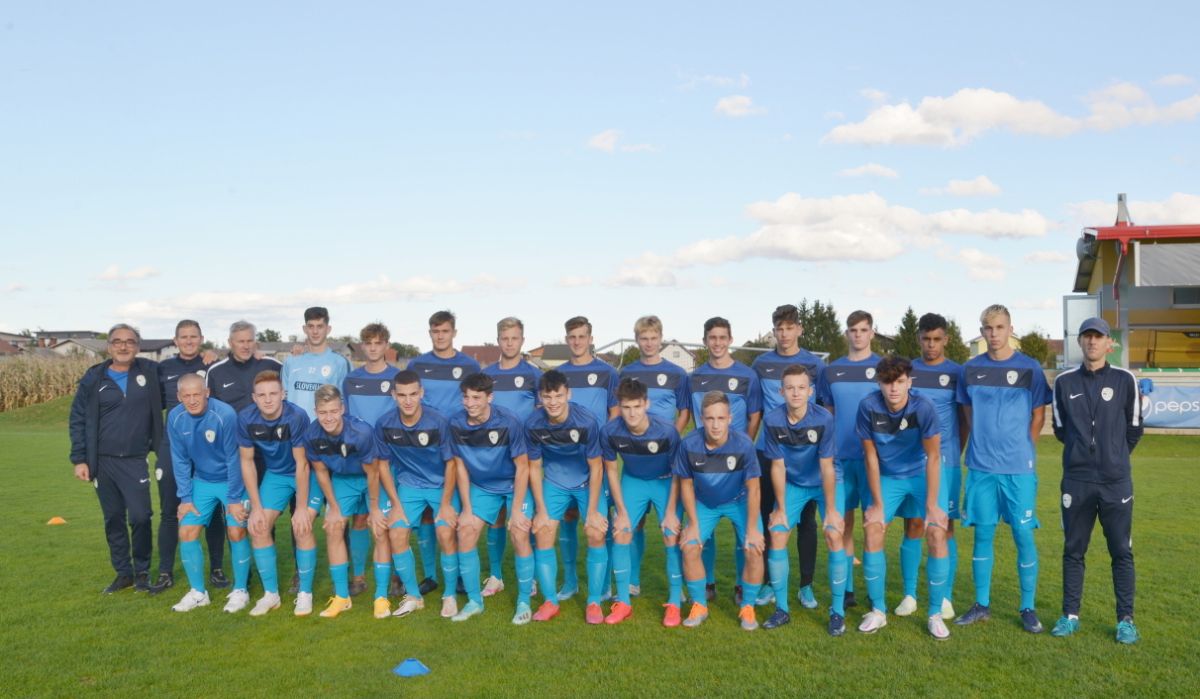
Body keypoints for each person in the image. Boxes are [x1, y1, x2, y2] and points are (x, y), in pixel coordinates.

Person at [954, 304, 1052, 633]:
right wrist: (982, 442)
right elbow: (967, 412)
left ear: (1010, 329)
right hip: (981, 467)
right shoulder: (969, 369)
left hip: (1017, 469)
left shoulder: (1029, 368)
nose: (993, 333)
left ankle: (1028, 607)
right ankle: (981, 604)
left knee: (1023, 534)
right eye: (988, 328)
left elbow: (1038, 414)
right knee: (983, 534)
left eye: (999, 327)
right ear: (981, 331)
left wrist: (1024, 448)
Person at [1050, 317, 1143, 644]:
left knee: (1121, 551)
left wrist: (1113, 456)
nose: (1092, 342)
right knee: (1073, 550)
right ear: (1080, 342)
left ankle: (1126, 621)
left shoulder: (1125, 379)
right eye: (1087, 336)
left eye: (1098, 336)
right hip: (1077, 481)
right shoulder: (1064, 382)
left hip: (1115, 482)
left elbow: (1134, 428)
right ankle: (1069, 616)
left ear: (1108, 343)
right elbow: (1061, 429)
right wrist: (1082, 455)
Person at [855, 356, 951, 639]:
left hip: (922, 472)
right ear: (879, 383)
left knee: (936, 531)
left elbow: (934, 456)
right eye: (887, 382)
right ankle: (878, 611)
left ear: (909, 382)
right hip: (888, 474)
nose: (894, 388)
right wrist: (877, 504)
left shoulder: (923, 407)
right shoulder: (868, 406)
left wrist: (932, 506)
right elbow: (870, 456)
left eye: (899, 382)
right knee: (873, 527)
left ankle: (935, 614)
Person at [69, 324, 163, 594]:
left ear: (138, 346)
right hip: (102, 462)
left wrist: (207, 357)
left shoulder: (151, 371)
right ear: (109, 346)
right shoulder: (94, 377)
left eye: (130, 341)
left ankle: (142, 571)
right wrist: (80, 459)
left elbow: (183, 372)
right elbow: (77, 419)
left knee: (141, 517)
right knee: (113, 518)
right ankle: (124, 573)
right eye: (117, 341)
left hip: (134, 459)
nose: (124, 346)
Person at [762, 366, 846, 634]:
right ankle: (782, 609)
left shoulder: (823, 418)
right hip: (794, 483)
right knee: (777, 531)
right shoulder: (772, 420)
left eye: (801, 387)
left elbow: (827, 466)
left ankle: (837, 612)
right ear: (781, 391)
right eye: (790, 388)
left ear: (810, 391)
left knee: (833, 533)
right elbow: (777, 466)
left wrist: (831, 510)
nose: (796, 393)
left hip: (825, 481)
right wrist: (781, 508)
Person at [751, 304, 825, 610]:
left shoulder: (814, 364)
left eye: (789, 328)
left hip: (804, 452)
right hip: (768, 451)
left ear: (799, 329)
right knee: (770, 516)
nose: (784, 334)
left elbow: (820, 408)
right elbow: (756, 408)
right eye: (779, 329)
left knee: (806, 520)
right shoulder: (761, 364)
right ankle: (770, 582)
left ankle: (805, 586)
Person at [525, 370, 613, 624]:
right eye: (547, 396)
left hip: (586, 482)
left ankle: (593, 602)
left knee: (596, 531)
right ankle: (550, 601)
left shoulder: (587, 421)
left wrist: (593, 511)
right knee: (542, 531)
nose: (553, 402)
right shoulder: (533, 424)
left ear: (568, 394)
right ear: (540, 397)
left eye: (558, 396)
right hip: (554, 482)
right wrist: (541, 510)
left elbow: (596, 467)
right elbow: (534, 467)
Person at [372, 370, 462, 620]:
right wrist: (396, 504)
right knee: (396, 532)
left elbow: (452, 464)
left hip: (440, 485)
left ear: (421, 393)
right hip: (409, 485)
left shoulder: (439, 421)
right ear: (393, 395)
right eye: (402, 395)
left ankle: (450, 595)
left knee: (445, 532)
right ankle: (414, 596)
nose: (408, 400)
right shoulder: (385, 423)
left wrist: (446, 504)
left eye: (413, 394)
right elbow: (382, 466)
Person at [447, 373, 535, 623]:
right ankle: (475, 601)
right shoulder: (456, 423)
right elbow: (460, 467)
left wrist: (516, 510)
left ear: (490, 397)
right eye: (466, 397)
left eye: (476, 397)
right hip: (483, 486)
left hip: (513, 483)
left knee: (519, 531)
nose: (470, 403)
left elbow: (523, 467)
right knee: (466, 530)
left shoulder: (509, 422)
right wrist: (466, 508)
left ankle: (523, 601)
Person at [205, 320, 285, 589]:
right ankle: (244, 576)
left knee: (265, 516)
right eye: (240, 341)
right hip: (233, 457)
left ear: (256, 341)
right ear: (230, 343)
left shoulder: (272, 366)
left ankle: (266, 574)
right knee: (237, 517)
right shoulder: (216, 371)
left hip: (269, 455)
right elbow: (210, 413)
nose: (245, 345)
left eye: (250, 340)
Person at [688, 316, 761, 604]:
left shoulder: (747, 376)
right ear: (705, 341)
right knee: (703, 531)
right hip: (703, 465)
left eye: (722, 337)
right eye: (712, 337)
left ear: (730, 339)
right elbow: (689, 416)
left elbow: (754, 416)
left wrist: (742, 450)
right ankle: (707, 582)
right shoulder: (694, 378)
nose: (717, 343)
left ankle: (742, 586)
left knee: (743, 531)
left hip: (737, 466)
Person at [676, 391, 765, 630]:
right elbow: (686, 485)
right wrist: (693, 524)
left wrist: (752, 529)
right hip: (705, 502)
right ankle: (699, 605)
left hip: (739, 500)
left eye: (721, 418)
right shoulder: (689, 444)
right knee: (689, 546)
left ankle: (748, 607)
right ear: (701, 419)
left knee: (754, 548)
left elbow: (754, 488)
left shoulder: (744, 444)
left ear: (730, 418)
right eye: (710, 418)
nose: (715, 425)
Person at [407, 310, 481, 594]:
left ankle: (461, 574)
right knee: (428, 513)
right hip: (425, 447)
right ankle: (430, 575)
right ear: (430, 333)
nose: (440, 336)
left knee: (458, 511)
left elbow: (476, 402)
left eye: (445, 331)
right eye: (435, 331)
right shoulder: (417, 364)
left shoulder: (470, 365)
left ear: (454, 333)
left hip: (460, 445)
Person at [617, 315, 689, 599]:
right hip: (635, 464)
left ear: (661, 338)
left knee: (672, 528)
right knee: (631, 526)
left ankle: (677, 589)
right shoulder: (627, 373)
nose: (649, 343)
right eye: (643, 338)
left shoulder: (676, 373)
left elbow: (684, 411)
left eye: (653, 338)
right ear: (637, 340)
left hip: (665, 466)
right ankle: (631, 581)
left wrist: (669, 438)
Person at [602, 378, 684, 625]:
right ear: (619, 407)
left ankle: (675, 601)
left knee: (671, 533)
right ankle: (623, 602)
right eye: (626, 407)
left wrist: (671, 511)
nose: (632, 413)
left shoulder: (667, 431)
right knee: (621, 532)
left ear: (646, 404)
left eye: (637, 406)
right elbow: (611, 471)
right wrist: (621, 511)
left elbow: (678, 473)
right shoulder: (610, 431)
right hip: (633, 481)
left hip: (665, 481)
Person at [166, 375, 250, 613]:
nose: (192, 400)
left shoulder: (225, 414)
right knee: (187, 531)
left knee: (236, 531)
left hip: (233, 481)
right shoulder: (175, 417)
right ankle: (198, 593)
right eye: (187, 396)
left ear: (207, 393)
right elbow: (180, 458)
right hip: (202, 481)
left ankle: (240, 591)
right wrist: (185, 498)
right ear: (179, 397)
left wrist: (234, 499)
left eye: (197, 394)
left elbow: (234, 458)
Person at [151, 320, 223, 595]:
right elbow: (151, 406)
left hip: (206, 445)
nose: (189, 341)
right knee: (171, 510)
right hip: (174, 445)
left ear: (201, 339)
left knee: (213, 510)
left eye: (194, 336)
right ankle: (165, 572)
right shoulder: (163, 368)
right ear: (175, 340)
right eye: (184, 337)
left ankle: (216, 569)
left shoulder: (211, 366)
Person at [816, 310, 882, 608]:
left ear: (872, 333)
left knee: (873, 525)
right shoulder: (832, 371)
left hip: (873, 460)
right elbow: (827, 415)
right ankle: (847, 590)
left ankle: (874, 590)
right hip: (840, 460)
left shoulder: (882, 368)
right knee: (842, 524)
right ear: (847, 334)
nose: (858, 335)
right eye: (853, 330)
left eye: (863, 330)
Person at [907, 313, 968, 620]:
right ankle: (909, 595)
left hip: (946, 460)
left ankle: (944, 596)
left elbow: (964, 419)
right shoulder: (908, 371)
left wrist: (954, 452)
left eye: (936, 339)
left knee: (945, 526)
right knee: (914, 524)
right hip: (912, 462)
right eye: (926, 339)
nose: (931, 345)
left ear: (946, 340)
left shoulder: (957, 372)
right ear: (919, 339)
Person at [235, 370, 311, 616]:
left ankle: (305, 593)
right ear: (254, 398)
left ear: (283, 394)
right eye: (262, 395)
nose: (268, 399)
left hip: (304, 472)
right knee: (257, 526)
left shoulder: (296, 416)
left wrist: (301, 508)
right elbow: (247, 462)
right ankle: (271, 595)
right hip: (276, 475)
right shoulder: (246, 418)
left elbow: (302, 463)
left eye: (273, 393)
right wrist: (256, 507)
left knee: (302, 526)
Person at [554, 316, 619, 601]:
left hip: (596, 461)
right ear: (566, 339)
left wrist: (604, 445)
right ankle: (570, 582)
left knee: (599, 522)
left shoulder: (607, 372)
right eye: (572, 337)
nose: (577, 341)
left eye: (582, 336)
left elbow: (614, 412)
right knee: (567, 517)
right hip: (564, 461)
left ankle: (604, 585)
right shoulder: (558, 374)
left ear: (591, 339)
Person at [303, 385, 378, 618]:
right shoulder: (312, 435)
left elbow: (374, 472)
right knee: (333, 527)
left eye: (334, 411)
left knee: (380, 526)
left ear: (342, 409)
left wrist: (375, 507)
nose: (329, 417)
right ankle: (342, 597)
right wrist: (333, 507)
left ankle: (381, 590)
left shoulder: (361, 432)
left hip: (370, 476)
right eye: (323, 412)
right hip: (343, 479)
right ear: (315, 411)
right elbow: (321, 472)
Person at [479, 316, 541, 597]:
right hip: (493, 458)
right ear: (498, 341)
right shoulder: (487, 376)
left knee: (525, 520)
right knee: (496, 518)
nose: (509, 343)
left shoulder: (534, 375)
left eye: (514, 338)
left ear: (522, 341)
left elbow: (540, 414)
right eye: (505, 338)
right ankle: (496, 576)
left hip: (524, 458)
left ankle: (532, 577)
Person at [281, 306, 352, 419]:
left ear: (328, 329)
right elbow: (282, 399)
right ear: (305, 329)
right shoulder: (291, 361)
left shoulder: (340, 363)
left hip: (325, 428)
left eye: (320, 326)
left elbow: (347, 402)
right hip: (295, 428)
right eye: (311, 326)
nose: (315, 331)